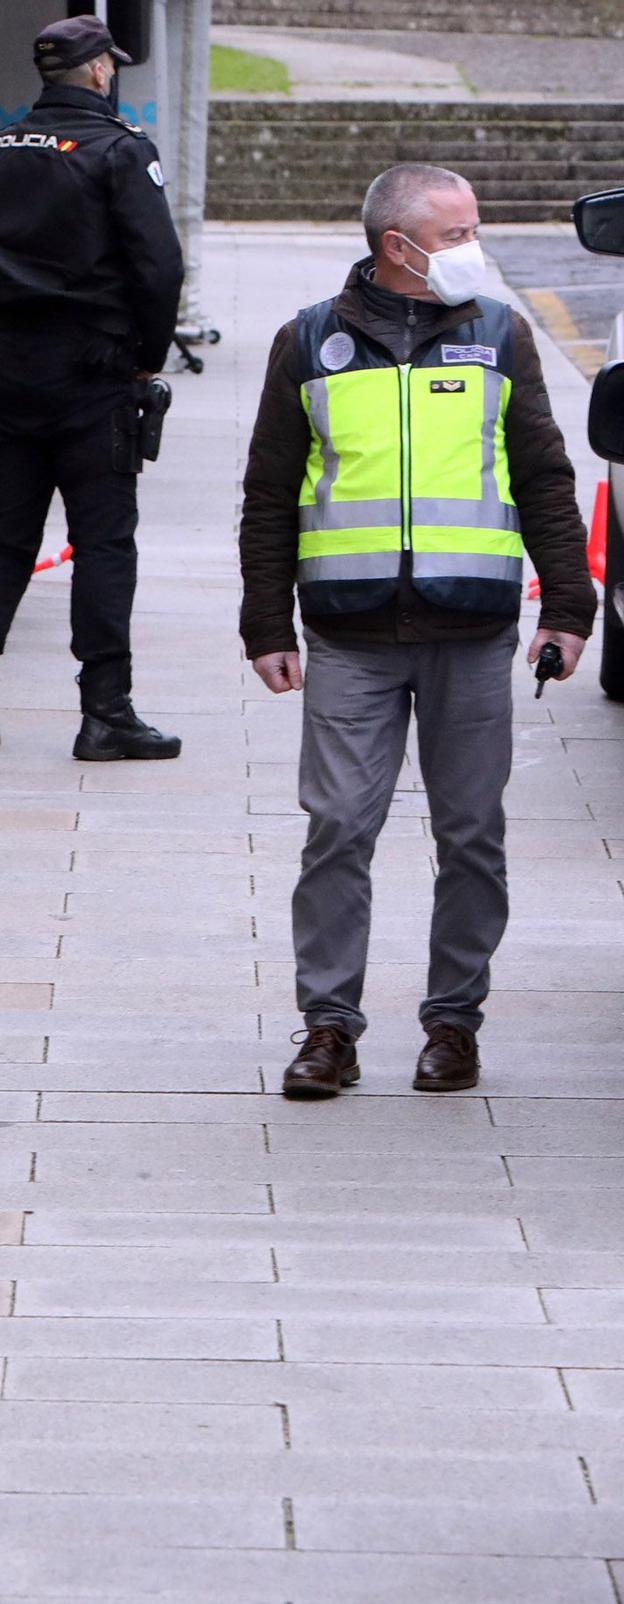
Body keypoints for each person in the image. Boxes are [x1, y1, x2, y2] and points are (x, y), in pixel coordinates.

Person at [239, 164, 594, 1100]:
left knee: (472, 833)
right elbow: (270, 493)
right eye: (455, 233)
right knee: (337, 831)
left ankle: (454, 1024)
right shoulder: (310, 341)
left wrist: (568, 608)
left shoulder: (500, 333)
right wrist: (265, 621)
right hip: (350, 634)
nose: (474, 247)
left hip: (471, 631)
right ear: (396, 247)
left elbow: (545, 478)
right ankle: (328, 1030)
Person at [0, 14, 185, 763]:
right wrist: (146, 357)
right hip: (93, 374)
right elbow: (159, 267)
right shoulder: (119, 151)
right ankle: (105, 711)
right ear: (101, 71)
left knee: (4, 539)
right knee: (103, 542)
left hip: (11, 369)